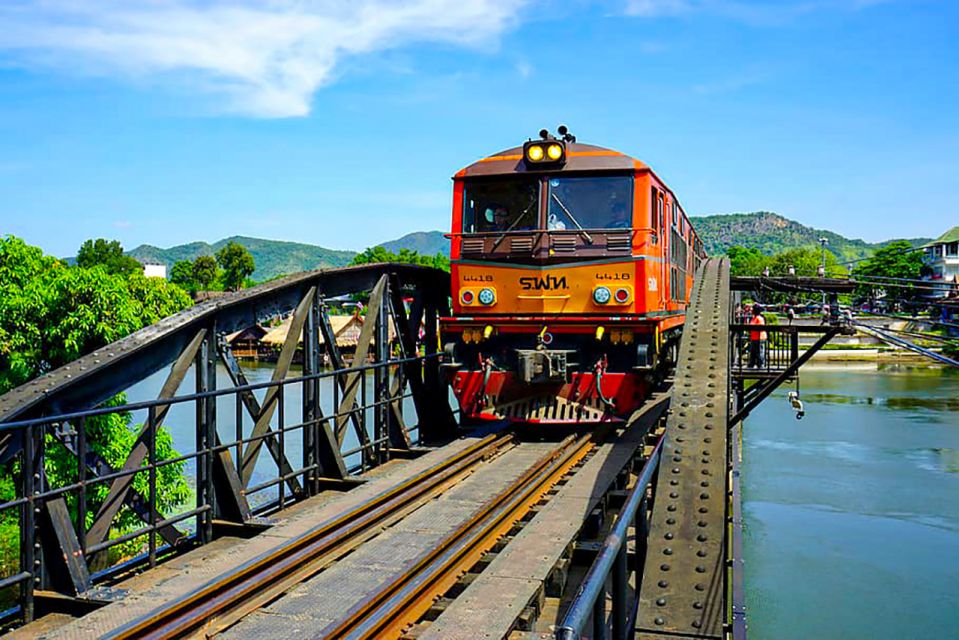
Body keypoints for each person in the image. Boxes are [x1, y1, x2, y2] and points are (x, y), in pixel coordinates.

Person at [748, 304, 767, 368]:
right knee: (753, 353)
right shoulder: (754, 318)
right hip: (754, 338)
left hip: (759, 338)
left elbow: (760, 328)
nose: (751, 310)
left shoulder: (759, 319)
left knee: (760, 353)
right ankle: (751, 365)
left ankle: (761, 366)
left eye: (752, 309)